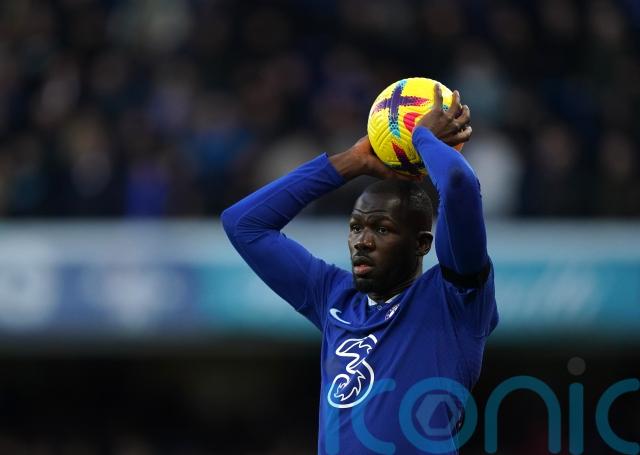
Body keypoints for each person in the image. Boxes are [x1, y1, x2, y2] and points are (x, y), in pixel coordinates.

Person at [222, 84, 498, 454]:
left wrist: (422, 137)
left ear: (421, 244)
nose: (362, 241)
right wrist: (348, 163)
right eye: (355, 227)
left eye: (382, 229)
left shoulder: (455, 299)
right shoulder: (334, 298)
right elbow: (243, 225)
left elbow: (459, 184)